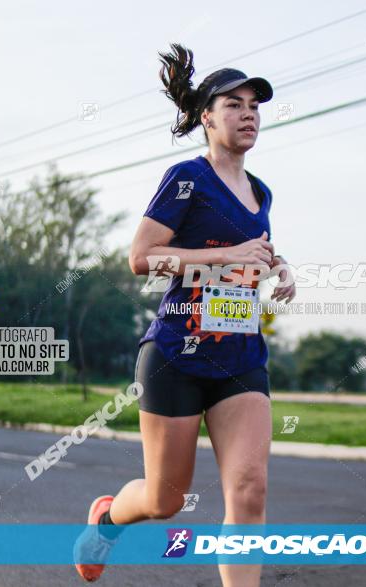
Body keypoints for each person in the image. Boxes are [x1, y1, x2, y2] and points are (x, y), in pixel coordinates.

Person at [73, 43, 296, 586]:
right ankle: (107, 518)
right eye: (234, 105)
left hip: (240, 356)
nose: (249, 114)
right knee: (164, 500)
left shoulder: (260, 191)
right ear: (207, 117)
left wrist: (280, 265)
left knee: (249, 488)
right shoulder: (186, 177)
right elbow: (141, 258)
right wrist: (225, 256)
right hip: (176, 353)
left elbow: (251, 251)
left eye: (255, 106)